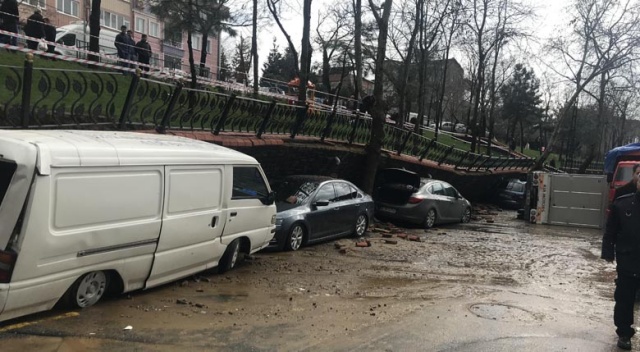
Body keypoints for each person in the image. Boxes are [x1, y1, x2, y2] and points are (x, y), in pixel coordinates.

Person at [602, 177, 640, 350]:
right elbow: (610, 231)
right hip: (629, 260)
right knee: (625, 298)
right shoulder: (622, 205)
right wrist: (608, 253)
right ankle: (624, 333)